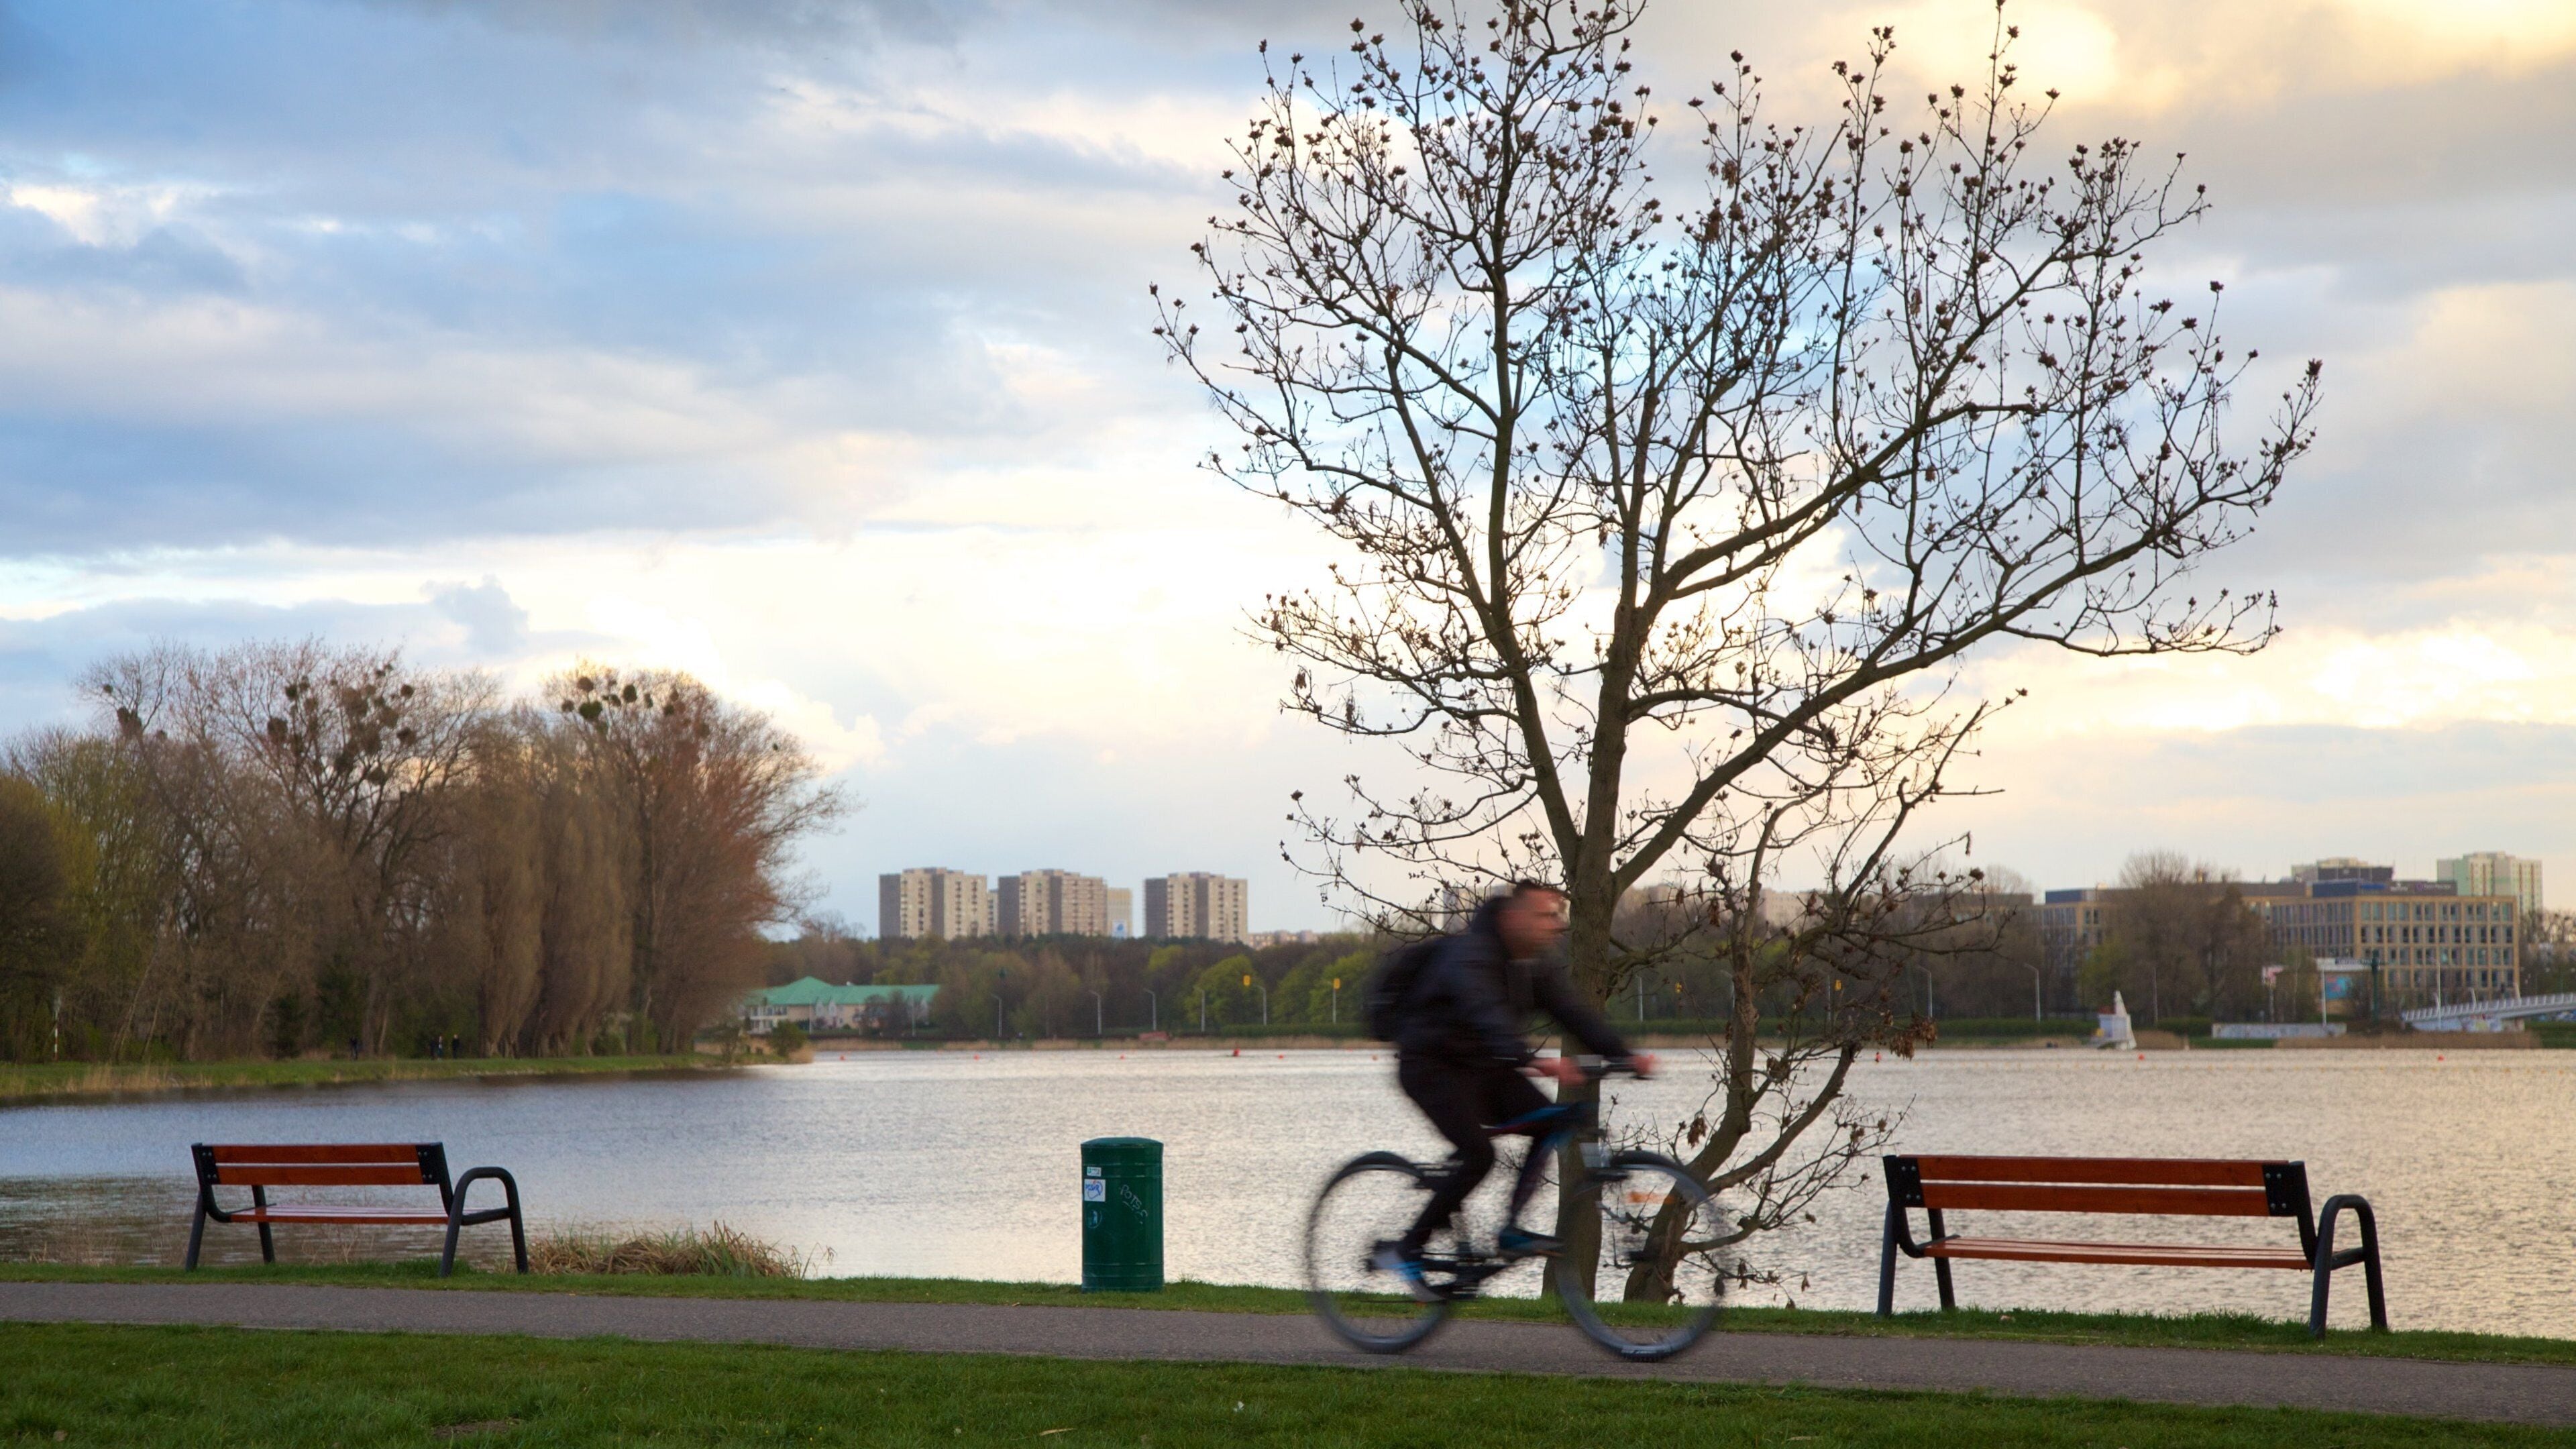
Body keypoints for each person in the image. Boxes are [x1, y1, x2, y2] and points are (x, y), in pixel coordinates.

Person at [1380, 879, 1653, 1295]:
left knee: (1549, 1123)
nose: (1556, 925)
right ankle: (1408, 1248)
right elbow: (1483, 1010)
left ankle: (1510, 1230)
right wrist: (1534, 1061)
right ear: (1513, 918)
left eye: (1558, 916)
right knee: (1478, 1155)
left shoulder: (1532, 966)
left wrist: (1624, 1054)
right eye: (1545, 915)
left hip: (1486, 1069)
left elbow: (1573, 1014)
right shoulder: (1472, 955)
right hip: (1431, 1066)